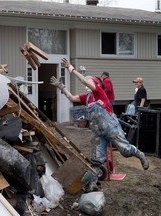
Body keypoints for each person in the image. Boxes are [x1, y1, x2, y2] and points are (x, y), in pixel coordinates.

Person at [50, 58, 149, 190]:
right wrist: (61, 88)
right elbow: (72, 98)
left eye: (90, 81)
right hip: (98, 133)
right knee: (96, 161)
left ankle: (140, 154)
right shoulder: (88, 97)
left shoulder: (99, 93)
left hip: (111, 128)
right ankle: (92, 186)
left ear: (96, 84)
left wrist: (70, 68)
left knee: (125, 150)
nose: (87, 83)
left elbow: (84, 80)